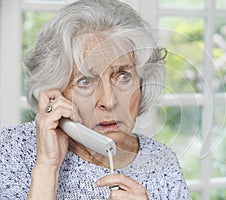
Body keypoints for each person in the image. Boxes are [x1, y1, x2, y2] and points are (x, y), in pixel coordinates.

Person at [0, 0, 191, 199]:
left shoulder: (162, 162)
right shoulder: (9, 150)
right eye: (84, 81)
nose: (108, 102)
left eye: (123, 76)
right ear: (54, 93)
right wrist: (47, 167)